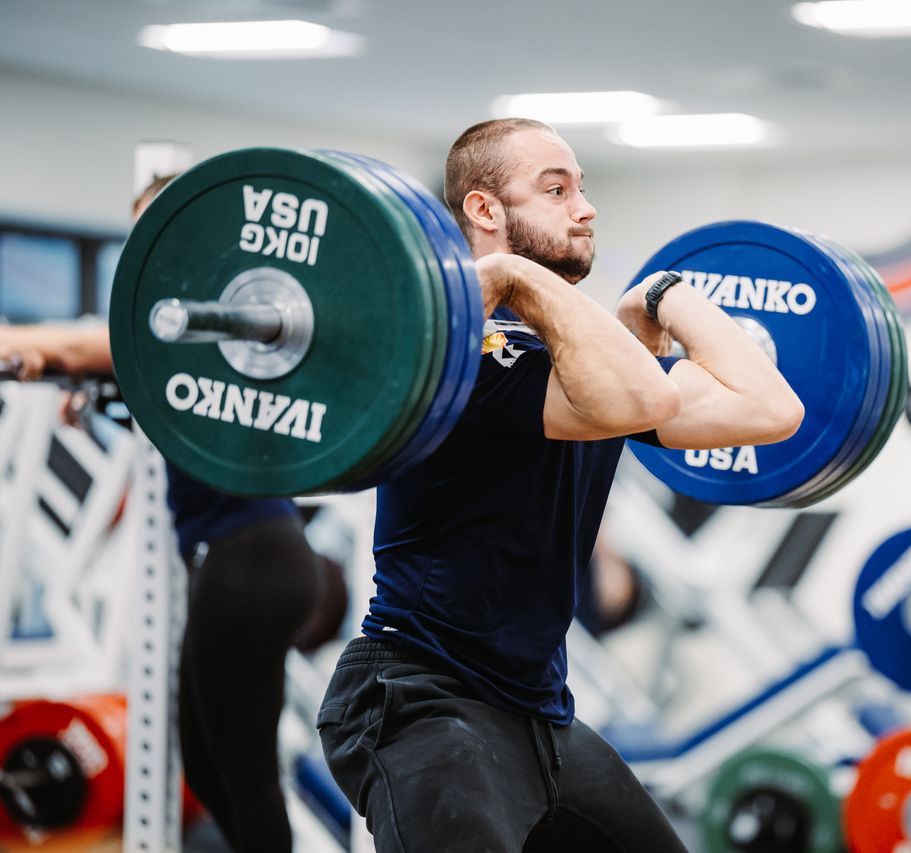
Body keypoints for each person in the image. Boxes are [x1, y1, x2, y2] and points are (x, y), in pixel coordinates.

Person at [317, 118, 804, 852]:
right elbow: (639, 400)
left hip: (536, 713)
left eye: (581, 187)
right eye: (556, 189)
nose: (586, 207)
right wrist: (517, 279)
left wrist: (667, 293)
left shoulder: (578, 368)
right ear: (484, 211)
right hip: (421, 699)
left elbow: (773, 408)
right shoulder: (458, 352)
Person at [0, 175, 337, 853]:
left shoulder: (205, 319)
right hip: (255, 558)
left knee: (243, 775)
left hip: (251, 557)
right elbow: (130, 374)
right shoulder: (196, 330)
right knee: (211, 765)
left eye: (167, 225)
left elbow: (77, 345)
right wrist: (94, 384)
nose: (150, 245)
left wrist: (54, 355)